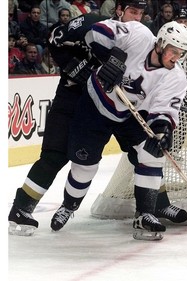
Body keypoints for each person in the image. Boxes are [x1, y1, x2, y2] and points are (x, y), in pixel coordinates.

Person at [7, 0, 154, 237]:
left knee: (145, 151)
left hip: (114, 104)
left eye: (141, 13)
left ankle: (156, 207)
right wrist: (75, 66)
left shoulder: (143, 36)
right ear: (119, 11)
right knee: (55, 154)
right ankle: (22, 208)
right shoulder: (91, 22)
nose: (137, 18)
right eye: (132, 12)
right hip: (73, 98)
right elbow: (55, 37)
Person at [49, 20, 187, 241]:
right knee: (84, 167)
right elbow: (96, 33)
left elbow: (164, 110)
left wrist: (163, 130)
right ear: (161, 43)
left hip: (129, 114)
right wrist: (110, 60)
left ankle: (145, 214)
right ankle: (69, 206)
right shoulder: (139, 35)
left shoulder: (175, 76)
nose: (176, 58)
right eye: (174, 51)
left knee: (152, 153)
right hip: (94, 105)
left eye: (181, 54)